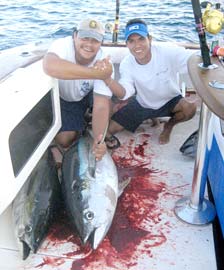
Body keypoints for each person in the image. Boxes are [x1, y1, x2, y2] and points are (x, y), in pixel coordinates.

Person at [103, 18, 197, 148]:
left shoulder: (167, 51)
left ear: (150, 39)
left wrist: (215, 52)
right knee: (109, 130)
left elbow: (194, 59)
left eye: (141, 39)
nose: (137, 45)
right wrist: (107, 79)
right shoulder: (126, 64)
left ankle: (169, 126)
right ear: (127, 44)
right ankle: (150, 118)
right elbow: (125, 93)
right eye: (131, 41)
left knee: (190, 109)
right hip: (143, 104)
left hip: (170, 101)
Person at [43, 18, 113, 163]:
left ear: (101, 43)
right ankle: (83, 121)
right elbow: (49, 66)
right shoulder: (62, 45)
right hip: (66, 99)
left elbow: (101, 104)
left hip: (88, 95)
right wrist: (96, 74)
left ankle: (90, 123)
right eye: (84, 37)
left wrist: (99, 139)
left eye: (95, 40)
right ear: (74, 36)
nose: (89, 44)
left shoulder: (104, 61)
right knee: (64, 140)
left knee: (108, 106)